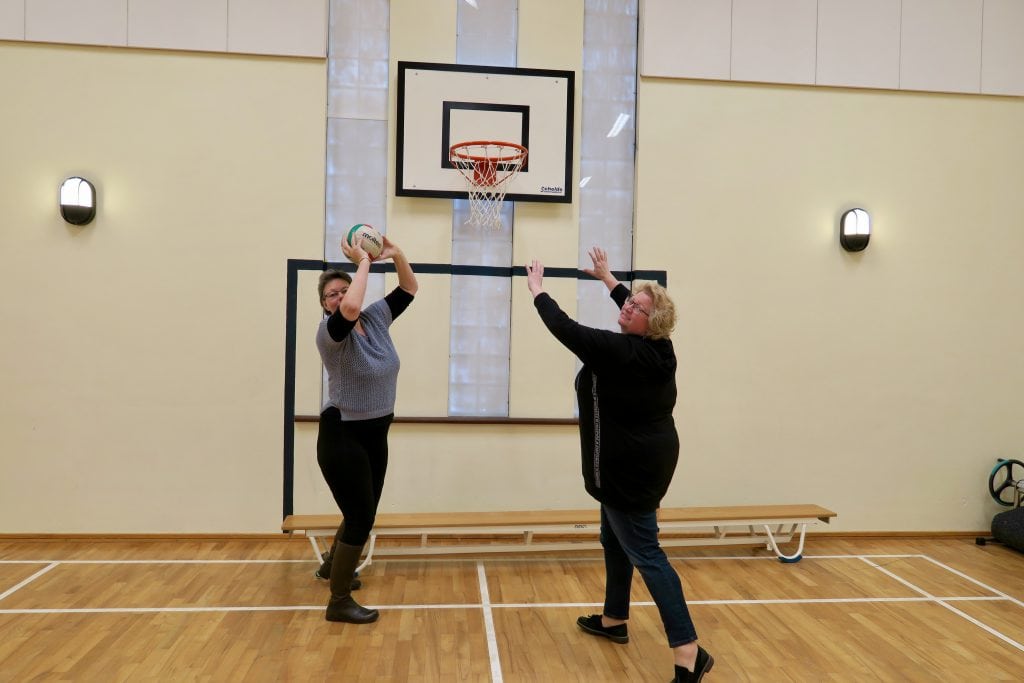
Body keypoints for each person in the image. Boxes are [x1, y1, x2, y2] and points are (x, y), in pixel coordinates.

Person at [525, 247, 714, 682]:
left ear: (652, 324)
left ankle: (688, 651)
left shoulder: (625, 353)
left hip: (631, 469)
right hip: (638, 458)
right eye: (628, 302)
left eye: (636, 307)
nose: (627, 306)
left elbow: (568, 330)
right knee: (614, 540)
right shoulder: (658, 347)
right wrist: (609, 280)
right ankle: (614, 620)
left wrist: (538, 292)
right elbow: (632, 306)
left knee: (647, 554)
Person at [314, 233, 418, 624]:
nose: (340, 297)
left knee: (362, 509)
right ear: (325, 306)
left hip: (376, 432)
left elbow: (409, 288)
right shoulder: (330, 334)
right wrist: (363, 262)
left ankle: (330, 567)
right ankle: (338, 600)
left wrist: (396, 254)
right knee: (360, 517)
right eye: (332, 295)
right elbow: (352, 308)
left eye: (343, 290)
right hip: (341, 434)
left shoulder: (376, 319)